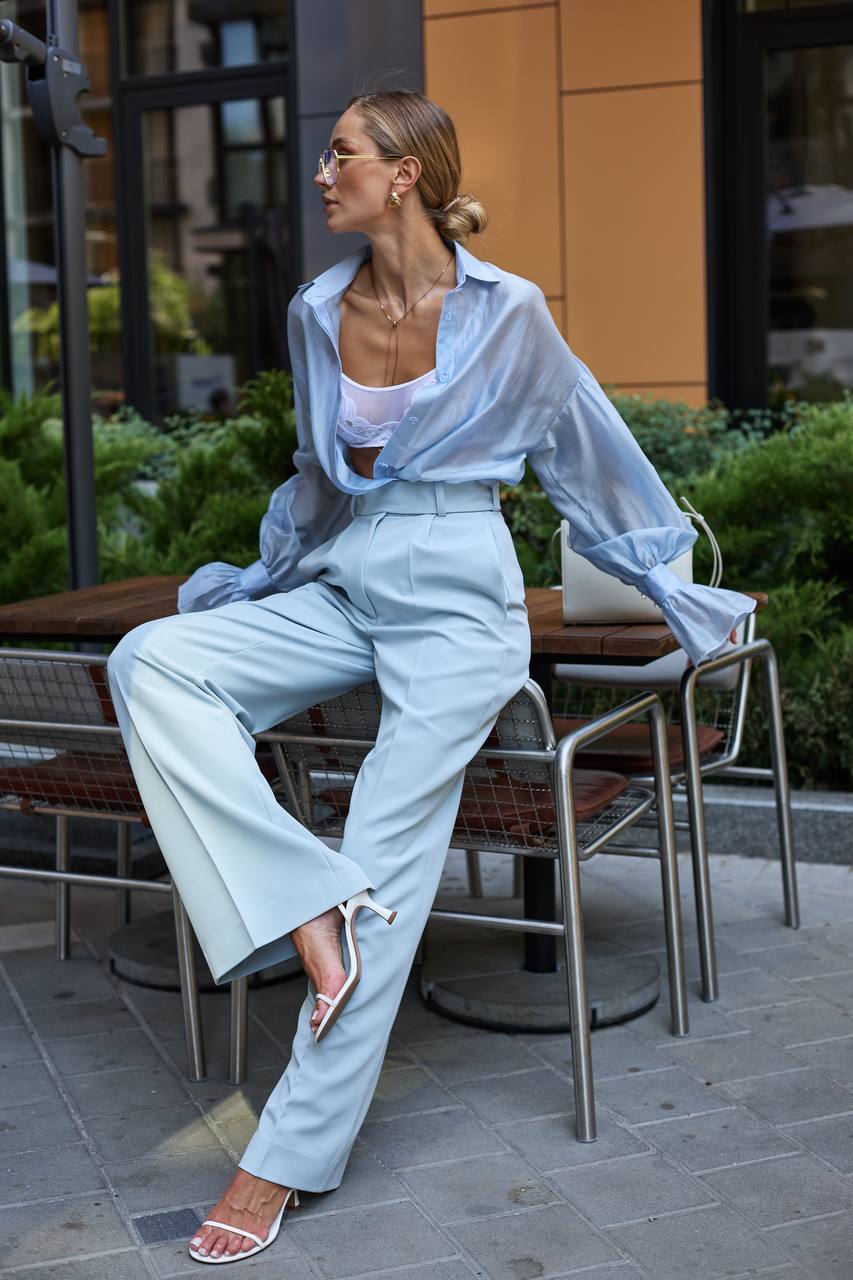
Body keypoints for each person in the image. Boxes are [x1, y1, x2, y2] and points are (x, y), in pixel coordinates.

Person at [106, 89, 754, 1265]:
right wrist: (259, 576)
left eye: (340, 154)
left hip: (459, 593)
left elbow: (589, 454)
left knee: (391, 847)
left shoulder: (508, 313)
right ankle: (306, 897)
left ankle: (282, 1155)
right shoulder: (317, 308)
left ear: (404, 173)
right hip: (347, 575)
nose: (320, 172)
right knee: (152, 658)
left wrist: (674, 584)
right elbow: (316, 477)